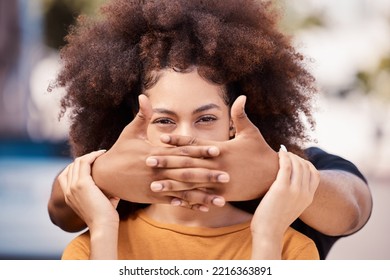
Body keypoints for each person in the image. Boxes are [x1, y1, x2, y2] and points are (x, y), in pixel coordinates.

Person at [47, 0, 372, 259]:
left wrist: (271, 174)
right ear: (136, 122)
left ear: (234, 121)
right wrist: (101, 176)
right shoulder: (99, 233)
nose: (185, 137)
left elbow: (353, 211)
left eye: (205, 118)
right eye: (164, 120)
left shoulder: (292, 242)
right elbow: (61, 208)